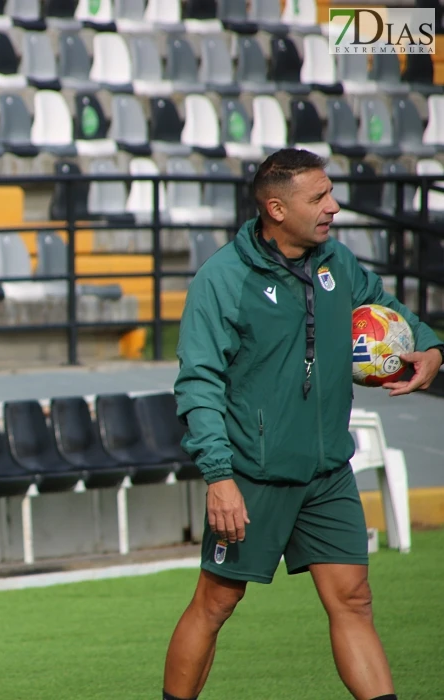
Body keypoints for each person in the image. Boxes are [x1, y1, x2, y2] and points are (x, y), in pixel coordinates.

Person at [162, 148, 443, 700]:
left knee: (354, 600)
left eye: (330, 193)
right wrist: (220, 477)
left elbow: (390, 311)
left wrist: (431, 347)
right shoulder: (222, 279)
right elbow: (198, 384)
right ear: (277, 209)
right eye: (318, 197)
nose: (333, 206)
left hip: (328, 472)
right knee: (216, 603)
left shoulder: (338, 263)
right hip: (252, 477)